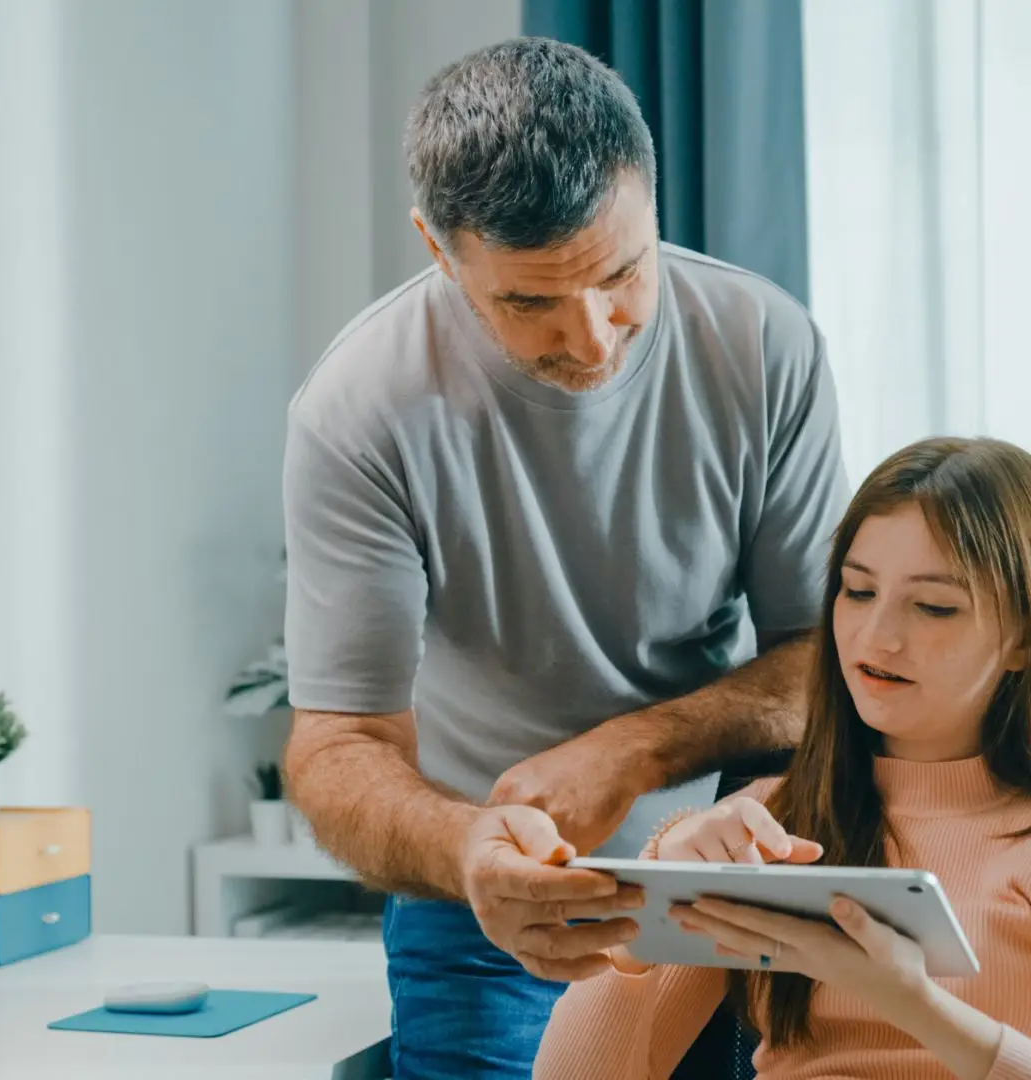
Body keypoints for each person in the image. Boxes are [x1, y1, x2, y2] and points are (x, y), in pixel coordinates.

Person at [279, 37, 850, 1079]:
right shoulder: (357, 410)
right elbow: (335, 742)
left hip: (739, 868)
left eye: (623, 273)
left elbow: (829, 658)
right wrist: (468, 851)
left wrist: (630, 752)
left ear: (652, 201)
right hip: (482, 911)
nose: (590, 340)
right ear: (436, 249)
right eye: (528, 302)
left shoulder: (763, 343)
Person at [533, 437, 1031, 1080]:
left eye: (932, 607)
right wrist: (649, 911)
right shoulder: (769, 821)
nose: (877, 637)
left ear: (1024, 638)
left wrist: (912, 1001)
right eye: (858, 591)